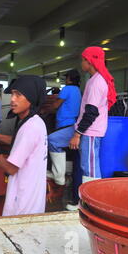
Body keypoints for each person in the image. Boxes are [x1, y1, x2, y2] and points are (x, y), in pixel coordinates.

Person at [0, 75, 47, 216]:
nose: (12, 99)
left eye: (18, 95)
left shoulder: (30, 128)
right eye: (13, 94)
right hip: (32, 198)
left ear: (31, 97)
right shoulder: (36, 122)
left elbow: (11, 168)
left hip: (23, 202)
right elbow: (19, 142)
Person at [66, 46, 116, 210]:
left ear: (90, 61)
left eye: (83, 59)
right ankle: (87, 204)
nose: (81, 62)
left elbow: (91, 112)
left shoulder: (97, 82)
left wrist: (78, 134)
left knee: (91, 169)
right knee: (87, 167)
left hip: (91, 132)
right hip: (87, 131)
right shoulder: (94, 80)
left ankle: (94, 207)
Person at [45, 70, 82, 201]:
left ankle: (59, 177)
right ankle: (65, 176)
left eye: (66, 77)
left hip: (66, 124)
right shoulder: (78, 90)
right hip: (73, 123)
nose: (65, 80)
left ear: (70, 78)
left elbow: (56, 104)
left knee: (52, 141)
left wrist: (44, 110)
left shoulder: (67, 88)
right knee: (69, 153)